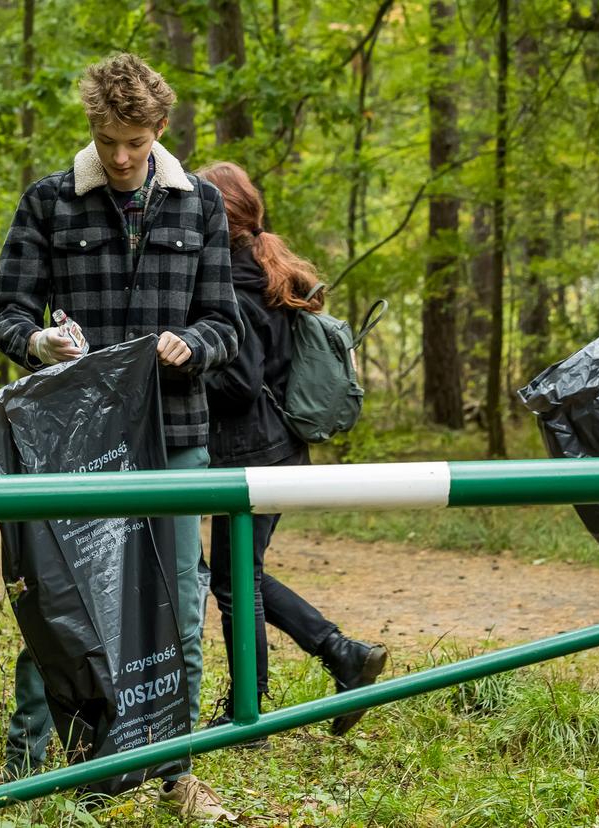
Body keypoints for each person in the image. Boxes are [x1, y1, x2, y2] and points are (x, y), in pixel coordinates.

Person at [0, 54, 242, 820]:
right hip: (77, 443)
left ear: (160, 130)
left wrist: (191, 346)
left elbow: (226, 324)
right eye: (106, 139)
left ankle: (177, 775)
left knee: (180, 611)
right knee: (61, 608)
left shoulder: (200, 207)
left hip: (176, 436)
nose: (121, 157)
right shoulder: (49, 203)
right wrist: (38, 345)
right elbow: (3, 312)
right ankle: (31, 776)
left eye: (134, 140)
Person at [198, 161, 386, 740]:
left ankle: (256, 704)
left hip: (251, 451)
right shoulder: (265, 265)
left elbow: (240, 381)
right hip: (278, 447)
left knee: (232, 579)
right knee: (235, 575)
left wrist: (177, 372)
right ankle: (337, 656)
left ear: (218, 216)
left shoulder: (232, 280)